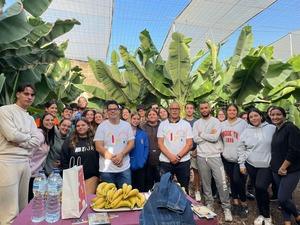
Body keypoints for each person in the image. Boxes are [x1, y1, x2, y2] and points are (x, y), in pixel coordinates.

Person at [0, 83, 43, 225]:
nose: (29, 97)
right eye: (26, 93)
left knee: (23, 206)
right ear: (18, 94)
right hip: (7, 161)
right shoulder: (5, 111)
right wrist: (27, 137)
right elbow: (11, 135)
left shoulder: (30, 118)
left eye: (32, 95)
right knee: (9, 211)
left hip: (25, 162)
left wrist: (22, 139)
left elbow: (37, 139)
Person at [193, 101, 232, 222]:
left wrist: (202, 134)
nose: (204, 110)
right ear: (200, 110)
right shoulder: (197, 123)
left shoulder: (216, 121)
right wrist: (208, 135)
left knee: (222, 182)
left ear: (209, 108)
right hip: (201, 156)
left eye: (206, 107)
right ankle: (209, 204)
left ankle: (226, 208)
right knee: (206, 183)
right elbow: (195, 139)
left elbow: (215, 138)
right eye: (202, 108)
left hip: (215, 156)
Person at [238, 108, 276, 225]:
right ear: (248, 120)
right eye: (251, 117)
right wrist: (241, 163)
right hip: (251, 165)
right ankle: (261, 213)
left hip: (266, 165)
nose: (254, 118)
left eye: (256, 116)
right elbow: (241, 148)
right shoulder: (246, 131)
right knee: (257, 189)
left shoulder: (271, 128)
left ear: (261, 116)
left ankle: (267, 215)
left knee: (261, 187)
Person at [270, 106, 300, 225]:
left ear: (284, 116)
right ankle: (287, 220)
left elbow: (295, 150)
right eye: (272, 115)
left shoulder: (291, 128)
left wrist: (283, 167)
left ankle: (297, 215)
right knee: (286, 198)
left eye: (278, 114)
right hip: (276, 170)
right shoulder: (277, 130)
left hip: (290, 170)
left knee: (282, 198)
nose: (275, 117)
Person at [94, 100, 134, 188]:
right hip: (107, 169)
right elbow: (98, 147)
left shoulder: (126, 125)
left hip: (124, 168)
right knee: (109, 198)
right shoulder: (102, 126)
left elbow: (131, 143)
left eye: (115, 109)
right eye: (110, 109)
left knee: (126, 196)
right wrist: (114, 158)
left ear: (119, 111)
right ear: (107, 112)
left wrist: (121, 155)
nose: (113, 111)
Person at [157, 102, 193, 193]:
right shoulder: (162, 124)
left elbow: (189, 144)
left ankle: (184, 206)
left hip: (183, 162)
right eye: (172, 109)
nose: (174, 111)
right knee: (165, 187)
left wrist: (178, 156)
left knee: (184, 188)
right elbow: (160, 143)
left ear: (179, 110)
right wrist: (170, 157)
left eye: (176, 109)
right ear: (169, 110)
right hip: (166, 161)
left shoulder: (186, 124)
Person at [221, 104, 248, 217]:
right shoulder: (222, 125)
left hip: (239, 159)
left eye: (234, 110)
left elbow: (247, 140)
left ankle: (244, 204)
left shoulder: (243, 124)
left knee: (239, 181)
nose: (232, 112)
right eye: (230, 110)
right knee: (232, 180)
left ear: (237, 111)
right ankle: (235, 202)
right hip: (227, 158)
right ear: (226, 112)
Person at [61, 118, 99, 194]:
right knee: (75, 201)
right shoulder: (69, 141)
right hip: (74, 177)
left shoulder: (95, 140)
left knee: (88, 200)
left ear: (88, 126)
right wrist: (67, 176)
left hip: (91, 177)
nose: (80, 127)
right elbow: (64, 159)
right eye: (78, 126)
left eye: (83, 125)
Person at [28, 113, 55, 201]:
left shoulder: (47, 134)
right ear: (41, 121)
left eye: (51, 120)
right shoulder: (39, 135)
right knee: (31, 201)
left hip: (37, 174)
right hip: (30, 174)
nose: (50, 122)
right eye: (47, 120)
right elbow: (29, 153)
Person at [184, 102, 201, 201]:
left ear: (194, 110)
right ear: (185, 110)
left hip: (195, 150)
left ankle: (197, 190)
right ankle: (188, 188)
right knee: (186, 172)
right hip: (185, 151)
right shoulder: (182, 122)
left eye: (191, 108)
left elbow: (200, 136)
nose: (189, 110)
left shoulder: (197, 122)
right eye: (187, 108)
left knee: (196, 172)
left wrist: (197, 149)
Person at [141, 109, 161, 191]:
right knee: (148, 182)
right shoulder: (142, 127)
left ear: (157, 116)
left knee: (160, 182)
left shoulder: (162, 126)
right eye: (150, 115)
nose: (152, 116)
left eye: (154, 114)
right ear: (147, 117)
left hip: (160, 158)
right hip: (147, 159)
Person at [129, 113, 149, 191]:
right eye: (134, 118)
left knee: (140, 186)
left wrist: (143, 160)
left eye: (138, 119)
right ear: (130, 119)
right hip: (128, 164)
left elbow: (146, 147)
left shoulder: (142, 133)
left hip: (140, 163)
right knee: (130, 187)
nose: (136, 121)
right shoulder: (125, 132)